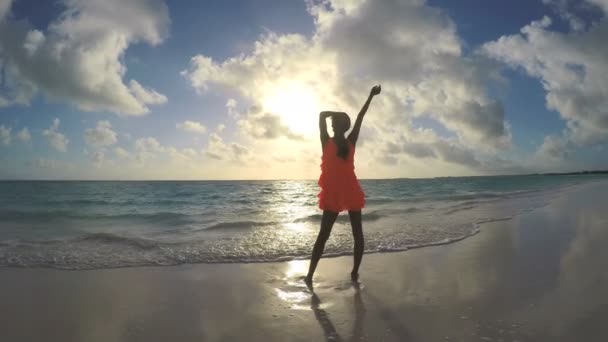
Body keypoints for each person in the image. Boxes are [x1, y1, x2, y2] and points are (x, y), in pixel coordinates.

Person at [305, 85, 381, 287]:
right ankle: (311, 275)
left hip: (348, 191)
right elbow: (322, 115)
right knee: (324, 235)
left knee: (355, 234)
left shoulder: (344, 141)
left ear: (340, 125)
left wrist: (370, 96)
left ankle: (353, 272)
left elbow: (360, 117)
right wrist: (339, 114)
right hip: (336, 192)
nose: (330, 126)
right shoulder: (327, 140)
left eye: (334, 123)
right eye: (331, 124)